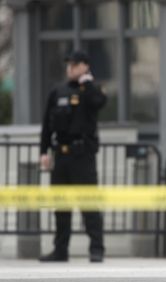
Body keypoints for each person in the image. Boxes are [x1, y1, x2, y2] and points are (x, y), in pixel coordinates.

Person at [39, 50, 107, 263]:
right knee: (61, 206)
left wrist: (87, 85)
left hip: (82, 156)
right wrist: (43, 151)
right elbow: (46, 125)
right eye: (69, 64)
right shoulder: (58, 91)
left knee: (88, 204)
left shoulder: (91, 89)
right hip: (61, 155)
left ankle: (96, 249)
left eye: (75, 64)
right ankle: (60, 250)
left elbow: (98, 103)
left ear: (85, 66)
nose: (70, 68)